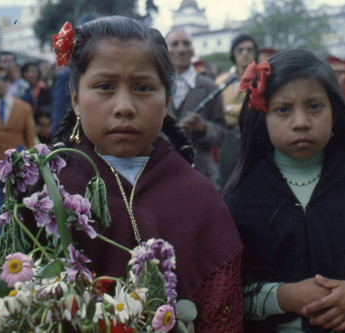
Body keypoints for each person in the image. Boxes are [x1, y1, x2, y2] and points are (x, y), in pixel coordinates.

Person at [50, 16, 243, 331]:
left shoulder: (199, 196)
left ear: (166, 101)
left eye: (143, 87)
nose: (124, 106)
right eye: (104, 87)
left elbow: (220, 312)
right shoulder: (50, 193)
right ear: (75, 98)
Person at [223, 49, 345, 333]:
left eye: (314, 106)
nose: (301, 122)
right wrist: (281, 296)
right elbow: (225, 294)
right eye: (283, 109)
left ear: (335, 112)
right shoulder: (241, 199)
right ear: (262, 117)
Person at [165, 29, 226, 187]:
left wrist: (204, 127)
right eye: (175, 44)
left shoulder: (210, 88)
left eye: (186, 43)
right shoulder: (154, 86)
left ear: (193, 50)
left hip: (201, 174)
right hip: (161, 173)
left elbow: (221, 133)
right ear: (165, 49)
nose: (181, 49)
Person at [0, 65, 36, 238]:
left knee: (16, 208)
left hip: (15, 168)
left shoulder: (23, 108)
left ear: (5, 82)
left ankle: (12, 242)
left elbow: (31, 140)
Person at [216, 34, 259, 189]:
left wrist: (229, 108)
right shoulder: (222, 80)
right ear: (233, 53)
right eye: (240, 50)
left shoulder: (262, 79)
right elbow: (217, 110)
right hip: (228, 139)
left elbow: (255, 108)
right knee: (228, 184)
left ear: (255, 53)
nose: (245, 53)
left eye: (249, 49)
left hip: (255, 136)